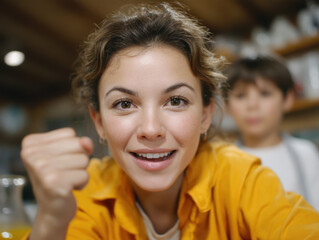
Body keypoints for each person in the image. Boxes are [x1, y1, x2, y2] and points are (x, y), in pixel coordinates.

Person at [21, 3, 319, 240]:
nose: (151, 130)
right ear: (98, 122)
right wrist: (50, 222)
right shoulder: (87, 194)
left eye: (175, 101)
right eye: (124, 104)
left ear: (205, 115)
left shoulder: (240, 179)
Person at [225, 55, 319, 211]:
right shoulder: (222, 162)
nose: (252, 105)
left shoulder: (306, 153)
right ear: (227, 105)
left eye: (265, 93)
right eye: (241, 95)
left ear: (287, 99)